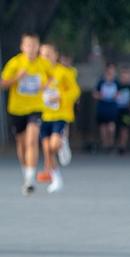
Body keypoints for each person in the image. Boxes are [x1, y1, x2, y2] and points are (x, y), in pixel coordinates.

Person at [0, 33, 52, 195]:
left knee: (32, 140)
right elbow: (2, 84)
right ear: (22, 47)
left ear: (38, 47)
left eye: (34, 45)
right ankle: (25, 171)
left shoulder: (43, 63)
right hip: (17, 108)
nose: (31, 49)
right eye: (28, 45)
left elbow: (51, 76)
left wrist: (45, 86)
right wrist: (16, 77)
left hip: (35, 107)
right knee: (22, 144)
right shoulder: (15, 63)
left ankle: (30, 178)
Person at [38, 43, 79, 193]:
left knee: (54, 144)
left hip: (59, 115)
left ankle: (62, 143)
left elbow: (75, 91)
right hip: (43, 115)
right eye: (42, 55)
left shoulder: (63, 72)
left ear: (56, 55)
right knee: (47, 149)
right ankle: (56, 179)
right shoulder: (39, 73)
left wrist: (60, 96)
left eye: (49, 54)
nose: (45, 58)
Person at [93, 63, 119, 153]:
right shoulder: (101, 81)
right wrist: (101, 96)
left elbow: (121, 93)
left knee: (111, 126)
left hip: (112, 107)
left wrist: (117, 96)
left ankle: (111, 143)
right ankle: (104, 144)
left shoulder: (116, 82)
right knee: (103, 127)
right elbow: (95, 93)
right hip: (103, 107)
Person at [113, 66, 130, 155]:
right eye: (123, 75)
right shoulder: (116, 85)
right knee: (116, 128)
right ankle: (114, 144)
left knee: (125, 128)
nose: (125, 77)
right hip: (116, 110)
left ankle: (122, 146)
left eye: (127, 75)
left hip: (126, 112)